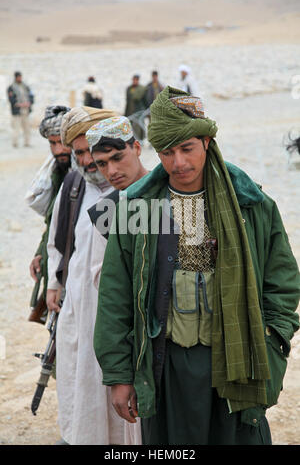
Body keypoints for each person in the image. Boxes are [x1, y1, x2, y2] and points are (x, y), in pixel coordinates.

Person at [94, 86, 300, 445]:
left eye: (187, 148)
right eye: (167, 152)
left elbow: (282, 284)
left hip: (239, 361)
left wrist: (269, 343)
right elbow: (115, 295)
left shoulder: (251, 203)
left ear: (206, 142)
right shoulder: (136, 208)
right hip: (167, 365)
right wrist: (119, 374)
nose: (178, 164)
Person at [46, 106, 141, 445]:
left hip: (121, 320)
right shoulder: (73, 187)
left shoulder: (138, 192)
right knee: (83, 387)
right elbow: (57, 240)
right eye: (81, 153)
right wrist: (54, 285)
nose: (90, 161)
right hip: (80, 313)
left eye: (94, 152)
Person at [85, 116, 148, 287]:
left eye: (117, 158)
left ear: (136, 148)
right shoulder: (105, 213)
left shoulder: (170, 190)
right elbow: (103, 281)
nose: (111, 171)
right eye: (102, 164)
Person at [29, 106, 72, 304]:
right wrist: (41, 252)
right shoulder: (57, 172)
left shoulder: (86, 175)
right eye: (52, 144)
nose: (58, 150)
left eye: (62, 143)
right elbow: (52, 220)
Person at [7, 71, 34, 147]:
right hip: (17, 111)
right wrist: (19, 104)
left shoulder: (25, 86)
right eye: (18, 77)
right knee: (16, 128)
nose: (20, 78)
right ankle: (15, 143)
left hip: (26, 111)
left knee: (27, 128)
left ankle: (27, 143)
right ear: (16, 77)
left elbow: (31, 95)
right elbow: (11, 99)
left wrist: (29, 103)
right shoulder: (11, 88)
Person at [124, 75, 147, 141]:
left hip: (138, 111)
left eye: (136, 80)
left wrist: (145, 111)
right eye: (134, 80)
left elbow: (145, 101)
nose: (135, 81)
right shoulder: (129, 88)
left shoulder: (142, 89)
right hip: (130, 110)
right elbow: (127, 101)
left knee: (138, 127)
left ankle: (139, 140)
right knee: (129, 127)